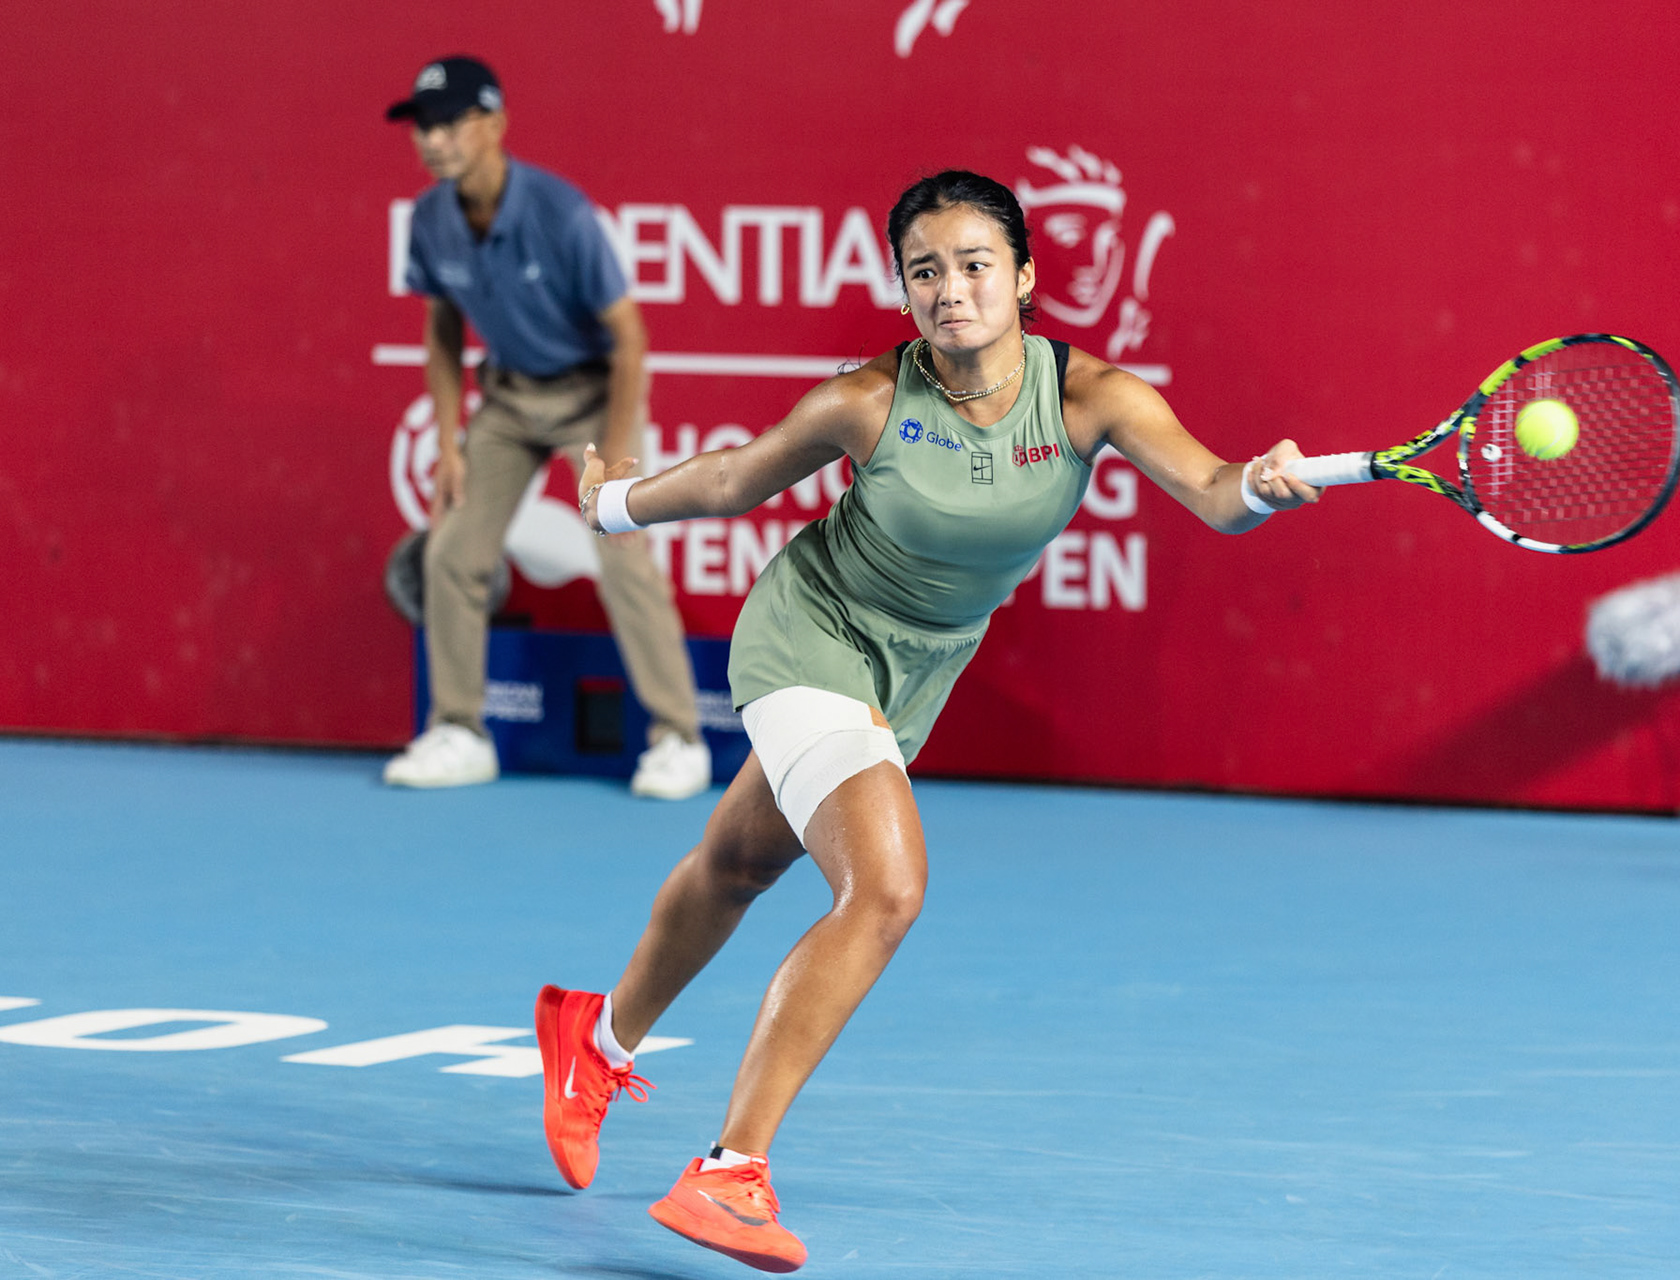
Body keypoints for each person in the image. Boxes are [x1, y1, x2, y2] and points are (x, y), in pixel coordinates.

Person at [534, 170, 1322, 1273]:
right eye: (926, 271)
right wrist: (612, 500)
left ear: (1025, 277)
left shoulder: (1094, 396)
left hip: (916, 671)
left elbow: (1214, 488)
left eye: (975, 265)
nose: (951, 290)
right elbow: (730, 482)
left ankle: (592, 1039)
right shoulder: (865, 398)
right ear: (903, 290)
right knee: (889, 887)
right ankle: (730, 1168)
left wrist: (1264, 481)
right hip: (810, 633)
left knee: (733, 866)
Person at [380, 56, 710, 798]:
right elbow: (441, 327)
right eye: (421, 128)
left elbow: (629, 338)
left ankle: (677, 739)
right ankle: (460, 731)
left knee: (622, 553)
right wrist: (445, 442)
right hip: (508, 401)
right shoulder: (431, 219)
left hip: (595, 399)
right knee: (452, 553)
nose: (431, 141)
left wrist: (619, 455)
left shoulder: (560, 214)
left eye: (447, 125)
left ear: (493, 126)